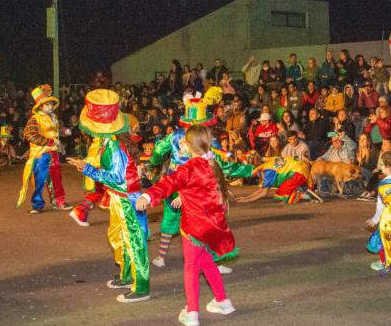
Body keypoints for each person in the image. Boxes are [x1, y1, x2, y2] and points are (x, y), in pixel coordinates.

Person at [136, 125, 238, 326]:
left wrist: (148, 195)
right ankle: (223, 301)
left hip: (195, 225)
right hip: (212, 223)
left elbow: (169, 183)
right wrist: (185, 195)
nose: (181, 143)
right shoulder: (211, 163)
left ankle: (192, 313)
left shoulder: (190, 168)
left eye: (184, 141)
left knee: (191, 267)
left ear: (189, 145)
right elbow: (204, 188)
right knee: (206, 260)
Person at [148, 88, 252, 272]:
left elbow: (157, 151)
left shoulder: (175, 135)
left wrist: (154, 163)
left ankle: (160, 257)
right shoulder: (207, 139)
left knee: (171, 218)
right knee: (205, 222)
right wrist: (250, 170)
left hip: (175, 183)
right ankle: (214, 261)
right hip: (196, 188)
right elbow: (223, 165)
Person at [65, 89, 150, 303]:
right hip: (118, 198)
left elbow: (115, 177)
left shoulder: (114, 145)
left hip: (128, 199)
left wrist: (87, 169)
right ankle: (126, 275)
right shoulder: (109, 142)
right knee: (117, 236)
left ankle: (141, 287)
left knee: (134, 241)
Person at [16, 84, 71, 213]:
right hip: (41, 154)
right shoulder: (35, 119)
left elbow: (57, 130)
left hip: (53, 152)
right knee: (40, 180)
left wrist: (64, 131)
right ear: (40, 106)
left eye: (51, 103)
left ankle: (59, 202)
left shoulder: (54, 118)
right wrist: (50, 141)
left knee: (56, 178)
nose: (50, 106)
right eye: (47, 104)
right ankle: (37, 205)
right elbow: (29, 134)